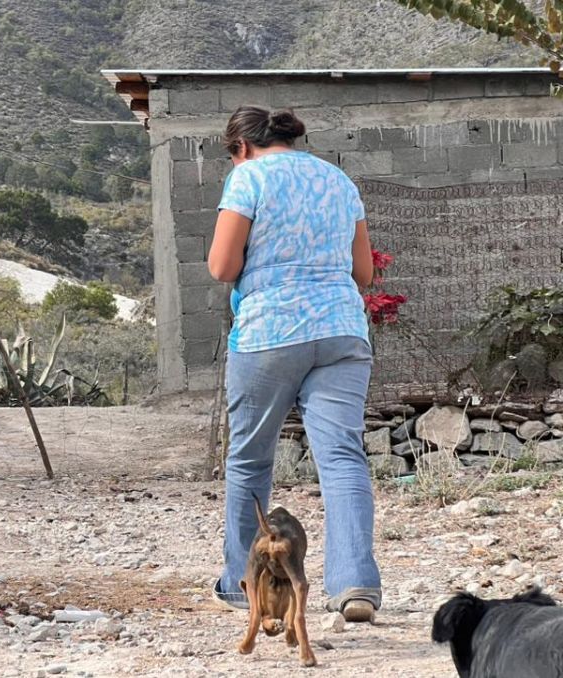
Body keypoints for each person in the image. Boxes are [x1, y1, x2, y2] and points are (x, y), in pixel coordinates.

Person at [207, 105, 382, 623]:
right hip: (342, 332)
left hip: (270, 332)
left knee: (250, 460)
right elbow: (364, 272)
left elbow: (221, 267)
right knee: (343, 458)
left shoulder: (247, 180)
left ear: (240, 147)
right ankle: (356, 585)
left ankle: (243, 585)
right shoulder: (337, 179)